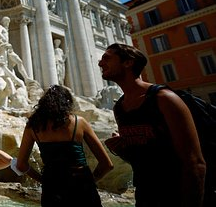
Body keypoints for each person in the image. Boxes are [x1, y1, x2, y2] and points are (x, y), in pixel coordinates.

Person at [99, 43, 206, 207]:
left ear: (128, 62)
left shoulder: (164, 98)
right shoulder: (120, 107)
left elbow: (195, 163)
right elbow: (137, 158)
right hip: (145, 196)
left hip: (175, 196)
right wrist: (121, 149)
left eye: (106, 58)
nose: (100, 63)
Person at [14, 85, 113, 207]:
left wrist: (43, 180)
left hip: (52, 188)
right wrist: (90, 181)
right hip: (82, 185)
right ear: (67, 103)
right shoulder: (79, 122)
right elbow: (107, 164)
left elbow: (21, 165)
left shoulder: (33, 127)